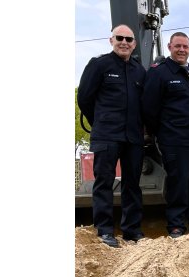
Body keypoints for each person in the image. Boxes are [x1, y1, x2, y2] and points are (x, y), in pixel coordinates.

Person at [77, 24, 147, 248]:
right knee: (104, 182)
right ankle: (105, 231)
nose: (124, 42)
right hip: (107, 135)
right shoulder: (99, 65)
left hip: (133, 137)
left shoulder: (139, 71)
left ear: (134, 44)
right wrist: (101, 121)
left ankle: (132, 231)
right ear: (111, 40)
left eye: (128, 39)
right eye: (120, 38)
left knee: (132, 184)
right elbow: (85, 98)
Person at [142, 31, 189, 238]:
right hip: (175, 140)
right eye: (177, 46)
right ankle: (176, 226)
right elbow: (149, 107)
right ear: (170, 47)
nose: (181, 50)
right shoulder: (159, 73)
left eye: (185, 46)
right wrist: (160, 132)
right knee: (178, 184)